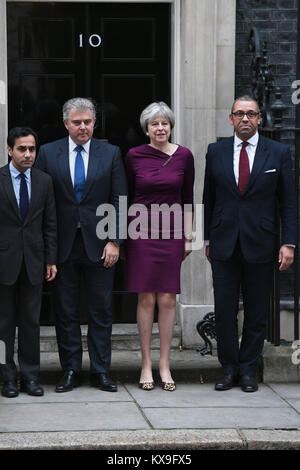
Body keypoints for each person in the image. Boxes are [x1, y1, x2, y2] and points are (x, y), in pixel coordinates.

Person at [203, 95, 297, 393]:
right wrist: (206, 238)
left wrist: (289, 243)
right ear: (231, 119)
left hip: (262, 243)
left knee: (257, 311)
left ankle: (248, 370)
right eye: (239, 114)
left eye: (251, 114)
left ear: (259, 119)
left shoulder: (278, 152)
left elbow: (289, 202)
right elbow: (209, 198)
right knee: (225, 310)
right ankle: (228, 368)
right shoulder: (215, 151)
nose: (245, 119)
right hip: (224, 243)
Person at [36, 97, 127, 393]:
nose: (83, 127)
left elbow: (120, 200)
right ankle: (71, 369)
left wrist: (115, 240)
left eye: (88, 121)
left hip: (101, 245)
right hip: (62, 246)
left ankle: (101, 371)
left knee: (100, 311)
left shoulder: (110, 153)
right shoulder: (48, 154)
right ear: (66, 124)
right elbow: (43, 203)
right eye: (77, 122)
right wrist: (45, 250)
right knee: (66, 311)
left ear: (94, 122)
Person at [125, 102, 194, 391]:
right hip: (140, 230)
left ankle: (164, 364)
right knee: (146, 299)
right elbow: (126, 194)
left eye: (165, 123)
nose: (160, 128)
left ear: (171, 126)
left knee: (166, 299)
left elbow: (188, 196)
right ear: (146, 128)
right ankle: (145, 364)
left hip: (172, 230)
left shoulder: (184, 156)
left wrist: (189, 235)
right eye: (154, 124)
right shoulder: (133, 156)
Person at [0, 127, 57, 398]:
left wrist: (51, 259)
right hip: (4, 262)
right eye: (22, 149)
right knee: (3, 325)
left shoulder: (44, 181)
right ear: (9, 150)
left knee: (31, 323)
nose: (28, 154)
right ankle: (7, 378)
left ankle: (30, 377)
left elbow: (50, 225)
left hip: (35, 261)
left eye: (32, 149)